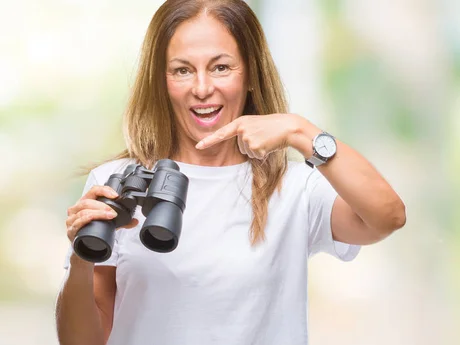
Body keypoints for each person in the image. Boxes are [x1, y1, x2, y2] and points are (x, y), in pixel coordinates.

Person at [55, 0, 406, 344]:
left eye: (221, 67)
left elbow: (387, 216)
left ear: (251, 74)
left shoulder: (295, 188)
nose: (203, 88)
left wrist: (301, 132)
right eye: (182, 70)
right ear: (161, 82)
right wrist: (80, 258)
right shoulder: (114, 181)